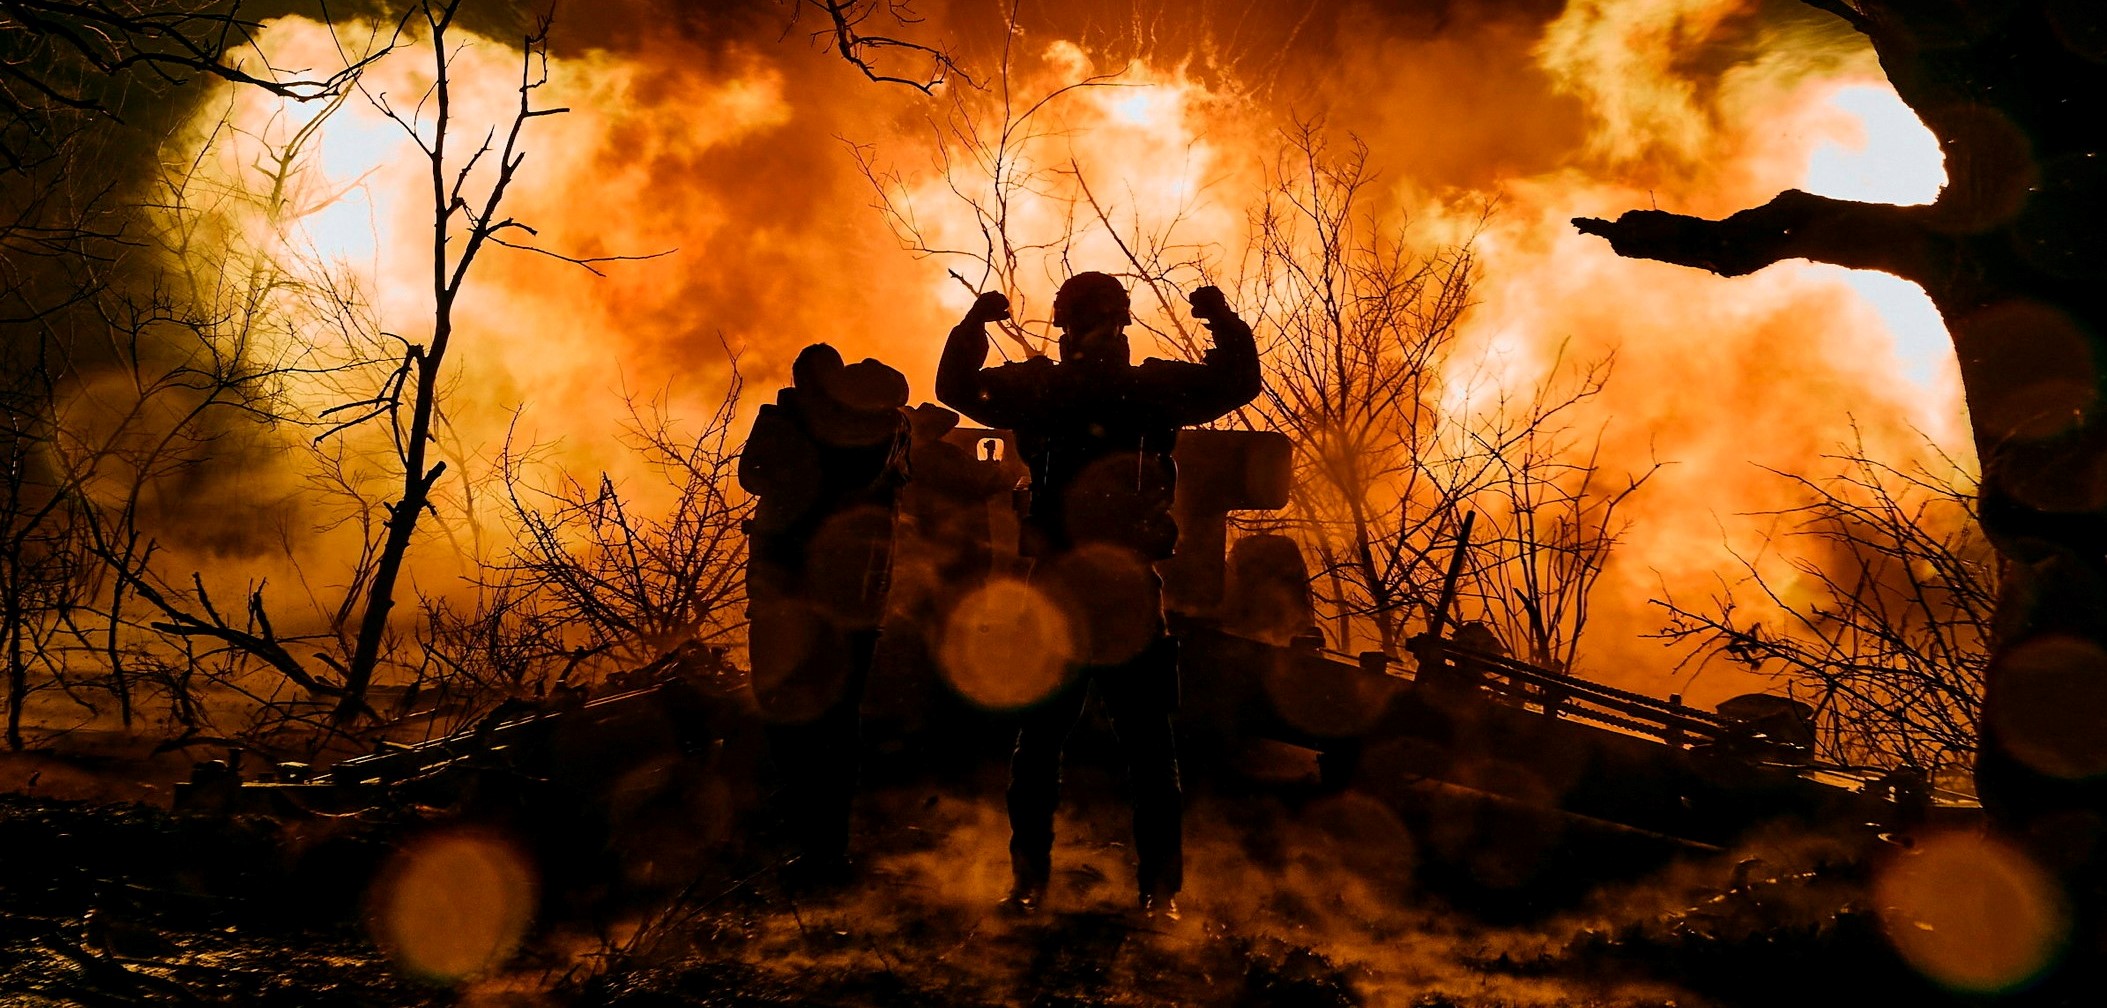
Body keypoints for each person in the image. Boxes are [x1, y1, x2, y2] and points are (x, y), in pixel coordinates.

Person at [936, 272, 1261, 917]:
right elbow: (1235, 382)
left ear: (1063, 323)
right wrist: (1221, 321)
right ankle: (1154, 894)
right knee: (1141, 748)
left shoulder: (1044, 392)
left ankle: (1035, 887)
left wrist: (975, 326)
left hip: (1068, 587)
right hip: (1118, 590)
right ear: (1121, 322)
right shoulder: (1148, 391)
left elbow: (956, 387)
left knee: (1050, 747)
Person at [739, 343, 909, 888]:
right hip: (805, 598)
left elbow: (838, 472)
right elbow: (756, 475)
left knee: (825, 724)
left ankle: (821, 846)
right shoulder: (798, 424)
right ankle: (808, 840)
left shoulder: (878, 430)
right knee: (800, 720)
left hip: (838, 602)